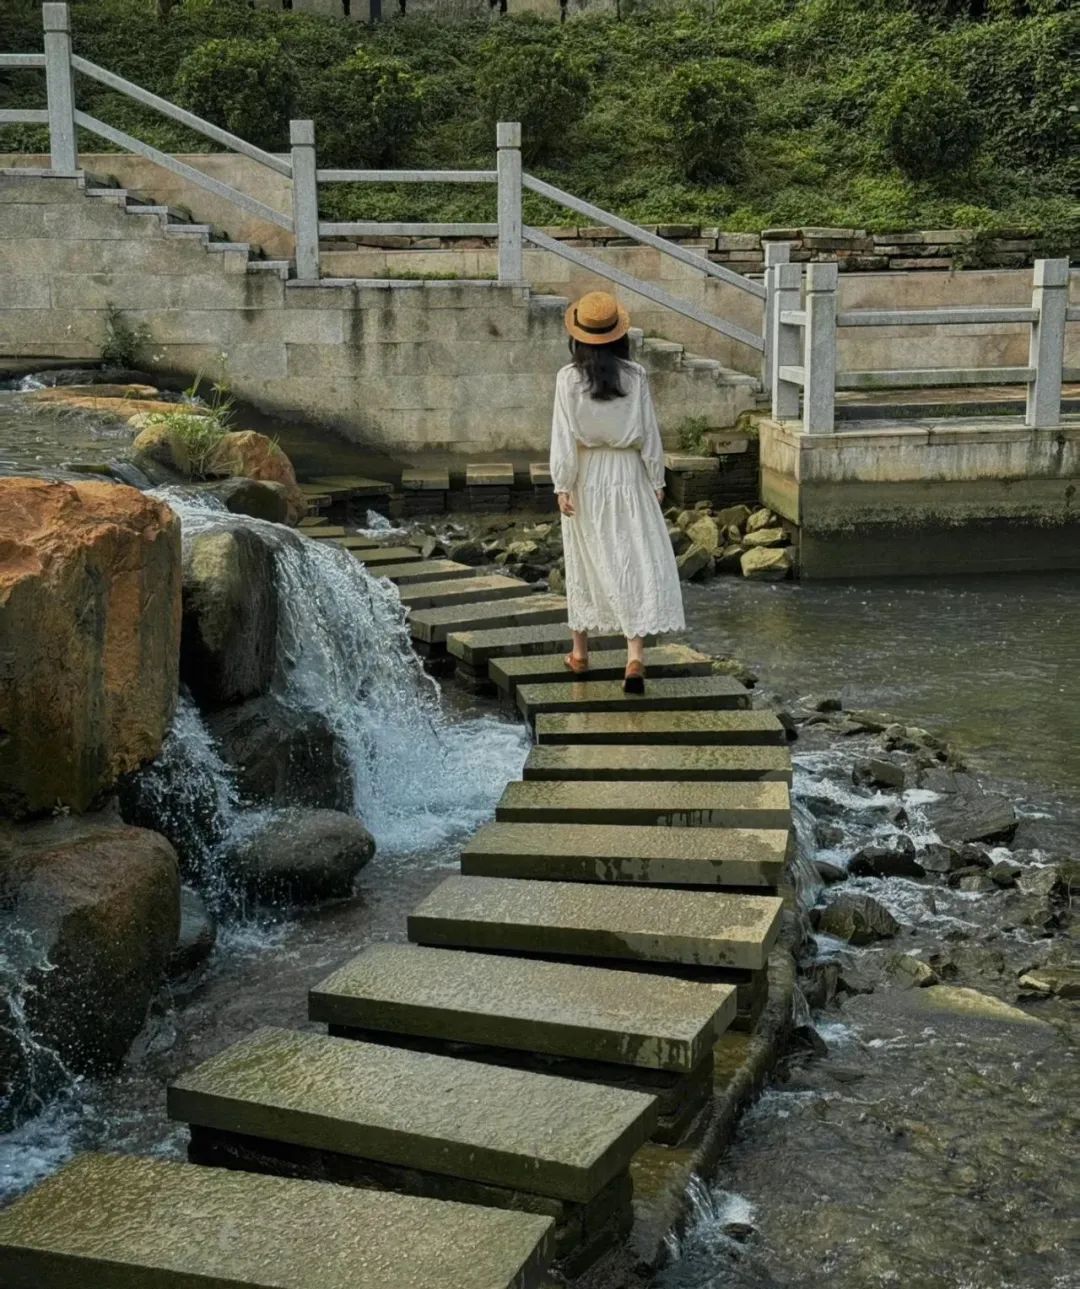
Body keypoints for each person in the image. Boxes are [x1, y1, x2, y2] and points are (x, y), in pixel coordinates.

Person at [549, 290, 685, 694]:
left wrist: (562, 482)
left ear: (579, 337)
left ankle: (580, 654)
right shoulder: (636, 375)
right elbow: (649, 433)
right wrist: (656, 479)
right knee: (634, 557)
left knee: (585, 559)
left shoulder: (567, 378)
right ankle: (634, 657)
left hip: (587, 472)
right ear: (618, 335)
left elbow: (563, 436)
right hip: (628, 472)